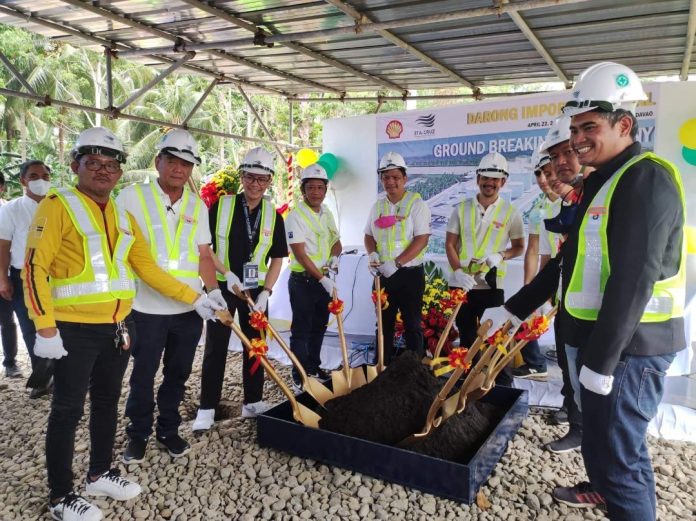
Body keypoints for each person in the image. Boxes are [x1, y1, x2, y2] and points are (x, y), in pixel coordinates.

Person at [503, 62, 686, 520]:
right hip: (600, 341)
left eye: (589, 127)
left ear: (624, 125)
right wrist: (513, 310)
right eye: (574, 128)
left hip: (630, 349)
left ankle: (621, 500)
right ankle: (600, 489)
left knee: (621, 457)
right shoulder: (599, 182)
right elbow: (567, 263)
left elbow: (634, 277)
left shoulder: (645, 178)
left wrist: (602, 360)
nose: (577, 139)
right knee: (602, 443)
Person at [23, 126, 222, 521]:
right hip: (72, 329)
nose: (103, 171)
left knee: (105, 402)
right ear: (75, 164)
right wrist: (44, 328)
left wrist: (197, 297)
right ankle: (61, 495)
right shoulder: (58, 204)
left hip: (115, 326)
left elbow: (144, 266)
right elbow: (33, 267)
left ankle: (100, 472)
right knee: (67, 409)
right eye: (93, 163)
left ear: (119, 171)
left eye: (111, 164)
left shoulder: (117, 211)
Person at [116, 130, 224, 464]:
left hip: (190, 312)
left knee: (178, 373)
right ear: (158, 161)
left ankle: (168, 429)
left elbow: (204, 254)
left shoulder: (197, 204)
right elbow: (134, 257)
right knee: (143, 374)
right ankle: (138, 434)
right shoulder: (131, 198)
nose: (179, 169)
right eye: (172, 161)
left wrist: (214, 291)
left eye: (186, 163)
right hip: (146, 309)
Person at [192, 147, 288, 431]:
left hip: (255, 292)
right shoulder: (220, 207)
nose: (255, 184)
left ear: (270, 181)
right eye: (250, 177)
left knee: (255, 346)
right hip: (222, 288)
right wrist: (226, 273)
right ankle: (207, 407)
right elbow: (205, 248)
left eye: (262, 179)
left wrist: (266, 292)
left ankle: (253, 401)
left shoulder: (274, 215)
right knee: (216, 347)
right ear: (241, 177)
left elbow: (278, 258)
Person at [445, 152, 524, 384]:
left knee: (497, 337)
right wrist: (458, 272)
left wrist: (501, 255)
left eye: (495, 179)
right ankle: (467, 382)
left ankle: (500, 383)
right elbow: (450, 243)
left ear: (503, 182)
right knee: (467, 335)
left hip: (492, 285)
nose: (489, 183)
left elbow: (519, 246)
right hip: (463, 285)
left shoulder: (511, 213)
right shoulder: (461, 209)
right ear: (477, 178)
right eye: (485, 178)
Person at [364, 151, 431, 364]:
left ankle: (415, 374)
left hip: (410, 274)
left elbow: (422, 239)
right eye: (386, 177)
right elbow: (368, 235)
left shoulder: (416, 204)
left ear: (405, 179)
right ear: (381, 179)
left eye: (395, 177)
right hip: (383, 275)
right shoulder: (378, 206)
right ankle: (381, 368)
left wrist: (397, 263)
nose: (390, 182)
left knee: (412, 325)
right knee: (383, 325)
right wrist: (372, 253)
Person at [285, 163, 342, 391]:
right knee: (301, 329)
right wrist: (322, 279)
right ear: (303, 190)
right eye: (311, 187)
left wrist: (335, 258)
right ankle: (300, 375)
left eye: (320, 187)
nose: (316, 192)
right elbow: (299, 253)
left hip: (323, 280)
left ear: (325, 190)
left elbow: (336, 241)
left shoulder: (327, 212)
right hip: (304, 282)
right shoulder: (295, 216)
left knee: (319, 326)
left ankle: (314, 366)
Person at [0, 161, 52, 393]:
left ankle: (63, 378)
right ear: (23, 181)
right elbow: (3, 246)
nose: (40, 180)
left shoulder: (59, 205)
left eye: (45, 175)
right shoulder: (12, 209)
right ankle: (41, 379)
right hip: (24, 277)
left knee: (61, 327)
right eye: (34, 176)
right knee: (31, 327)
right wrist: (3, 277)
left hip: (58, 277)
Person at [514, 147, 560, 381]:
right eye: (538, 174)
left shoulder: (571, 201)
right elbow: (534, 250)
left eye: (547, 172)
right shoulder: (538, 209)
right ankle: (534, 364)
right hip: (552, 271)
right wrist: (529, 287)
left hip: (570, 274)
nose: (543, 180)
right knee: (523, 312)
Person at [0, 171, 20, 378]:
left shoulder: (9, 210)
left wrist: (4, 278)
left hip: (4, 274)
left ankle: (10, 362)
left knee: (7, 320)